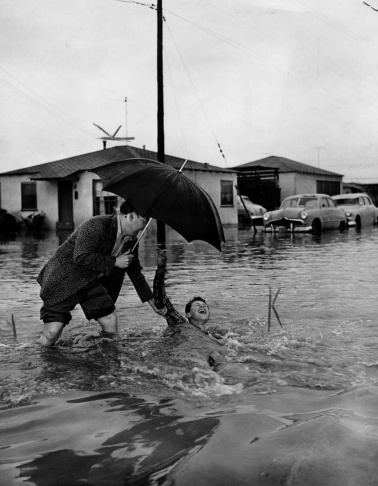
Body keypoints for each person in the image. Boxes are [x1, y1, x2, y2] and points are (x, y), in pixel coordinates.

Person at [36, 200, 166, 347]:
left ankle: (105, 360)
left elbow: (135, 274)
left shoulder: (131, 242)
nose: (144, 228)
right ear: (131, 216)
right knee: (51, 334)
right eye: (144, 221)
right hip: (64, 281)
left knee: (110, 321)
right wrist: (114, 262)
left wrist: (152, 302)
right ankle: (37, 356)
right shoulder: (96, 225)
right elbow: (80, 256)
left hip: (90, 283)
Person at [153, 249, 226, 366]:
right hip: (190, 358)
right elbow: (161, 301)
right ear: (188, 315)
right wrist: (160, 270)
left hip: (212, 358)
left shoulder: (215, 334)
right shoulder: (181, 323)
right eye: (198, 305)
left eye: (204, 306)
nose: (202, 306)